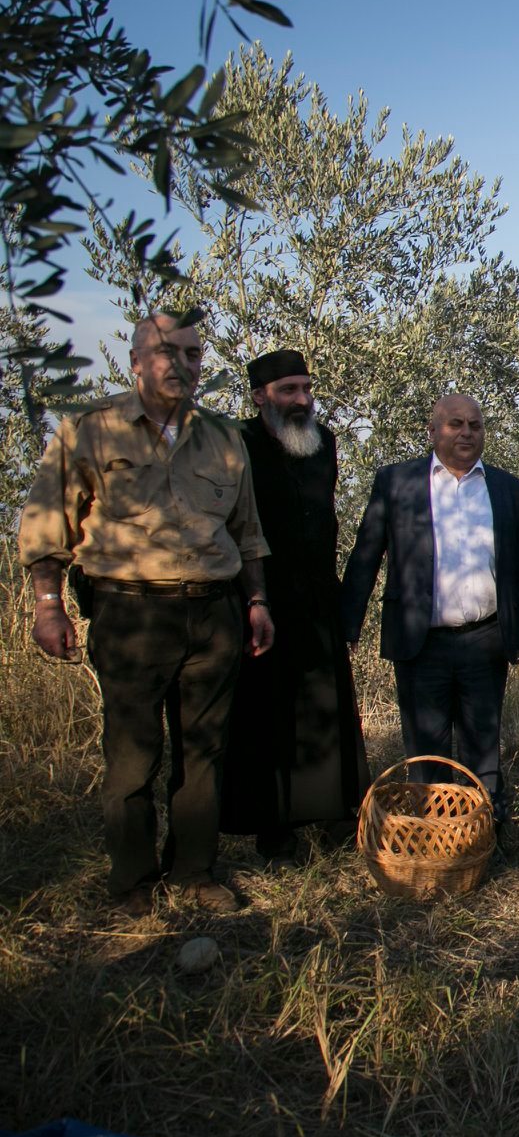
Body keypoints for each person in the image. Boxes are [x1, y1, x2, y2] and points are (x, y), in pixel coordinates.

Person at [20, 312, 274, 914]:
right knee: (133, 756)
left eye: (193, 354)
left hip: (213, 613)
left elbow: (247, 533)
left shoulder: (223, 437)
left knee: (204, 753)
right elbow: (47, 527)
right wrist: (49, 606)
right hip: (131, 614)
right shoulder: (91, 430)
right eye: (168, 351)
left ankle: (194, 872)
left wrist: (258, 601)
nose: (182, 364)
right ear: (136, 361)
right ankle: (132, 881)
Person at [340, 393, 519, 835]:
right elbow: (366, 555)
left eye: (475, 425)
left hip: (485, 639)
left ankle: (485, 835)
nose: (466, 433)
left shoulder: (506, 488)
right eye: (455, 424)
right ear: (432, 432)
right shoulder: (397, 482)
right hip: (421, 642)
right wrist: (348, 624)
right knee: (426, 751)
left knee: (483, 747)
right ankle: (432, 839)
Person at [221, 349, 370, 865]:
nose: (302, 400)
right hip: (261, 600)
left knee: (325, 706)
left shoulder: (323, 442)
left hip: (318, 596)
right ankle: (276, 831)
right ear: (259, 396)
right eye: (289, 390)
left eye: (306, 388)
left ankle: (335, 817)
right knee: (269, 713)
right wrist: (253, 598)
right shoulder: (237, 444)